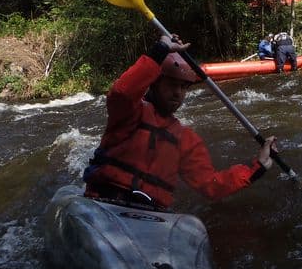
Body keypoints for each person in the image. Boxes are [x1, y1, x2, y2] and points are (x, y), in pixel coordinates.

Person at [83, 34, 278, 209]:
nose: (178, 93)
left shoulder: (186, 139)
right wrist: (159, 51)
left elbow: (210, 185)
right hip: (105, 202)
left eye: (184, 87)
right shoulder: (129, 111)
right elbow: (121, 92)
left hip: (150, 214)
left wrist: (257, 167)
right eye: (172, 84)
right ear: (155, 83)